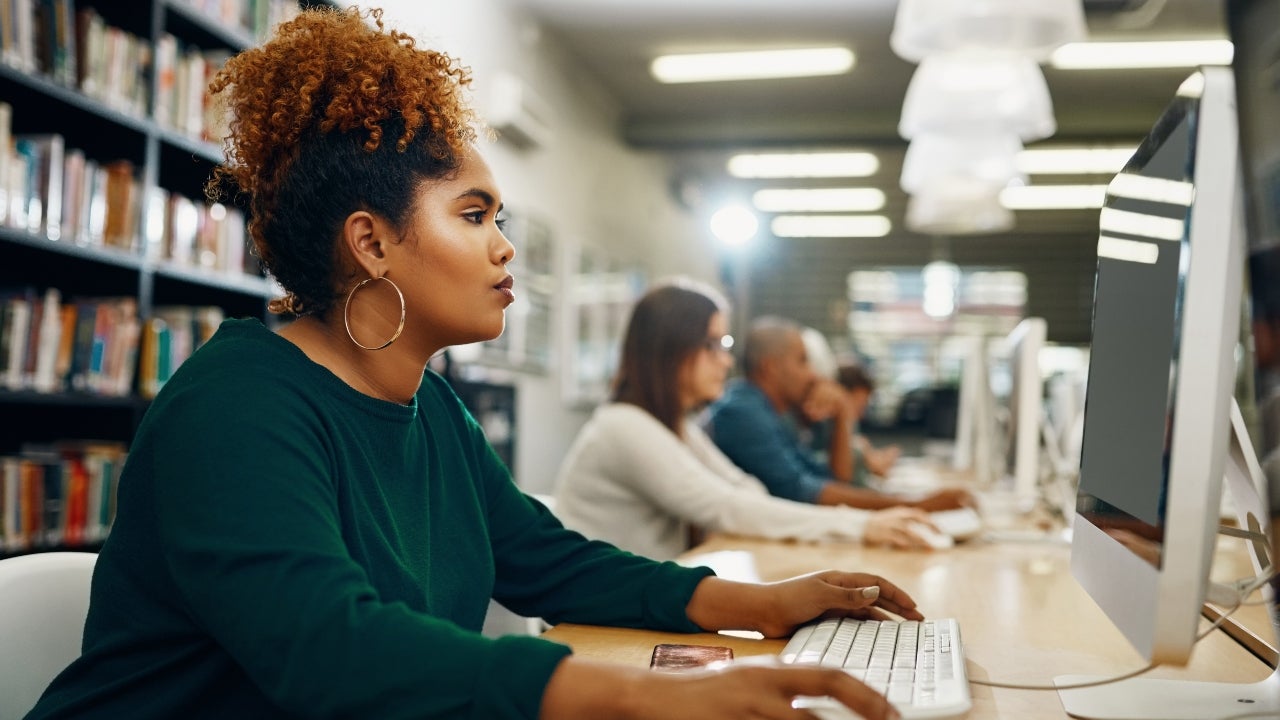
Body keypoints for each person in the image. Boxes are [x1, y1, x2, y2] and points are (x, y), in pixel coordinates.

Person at [23, 8, 918, 720]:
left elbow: (553, 565)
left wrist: (763, 604)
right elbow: (332, 651)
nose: (504, 247)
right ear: (372, 243)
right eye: (475, 214)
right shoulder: (234, 409)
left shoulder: (434, 412)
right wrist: (645, 697)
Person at [553, 280, 938, 560]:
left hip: (636, 603)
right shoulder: (624, 427)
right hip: (589, 626)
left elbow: (744, 489)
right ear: (670, 348)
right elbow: (727, 507)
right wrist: (861, 526)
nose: (726, 361)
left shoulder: (672, 425)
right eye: (713, 345)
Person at [705, 316, 971, 512]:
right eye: (802, 360)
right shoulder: (742, 412)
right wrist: (917, 505)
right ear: (771, 367)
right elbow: (807, 493)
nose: (812, 374)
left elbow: (831, 479)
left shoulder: (771, 412)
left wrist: (844, 410)